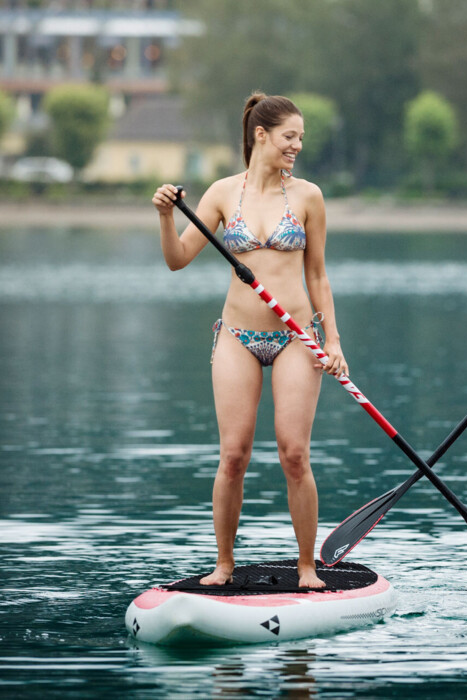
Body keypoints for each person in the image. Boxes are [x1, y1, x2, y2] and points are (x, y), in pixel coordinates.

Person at [152, 92, 347, 588]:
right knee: (233, 454)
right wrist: (165, 216)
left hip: (297, 339)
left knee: (293, 454)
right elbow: (177, 260)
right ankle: (224, 564)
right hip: (237, 335)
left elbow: (319, 276)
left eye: (301, 138)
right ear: (261, 135)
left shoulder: (308, 197)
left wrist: (335, 341)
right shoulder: (221, 194)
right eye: (290, 136)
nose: (297, 146)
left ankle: (307, 567)